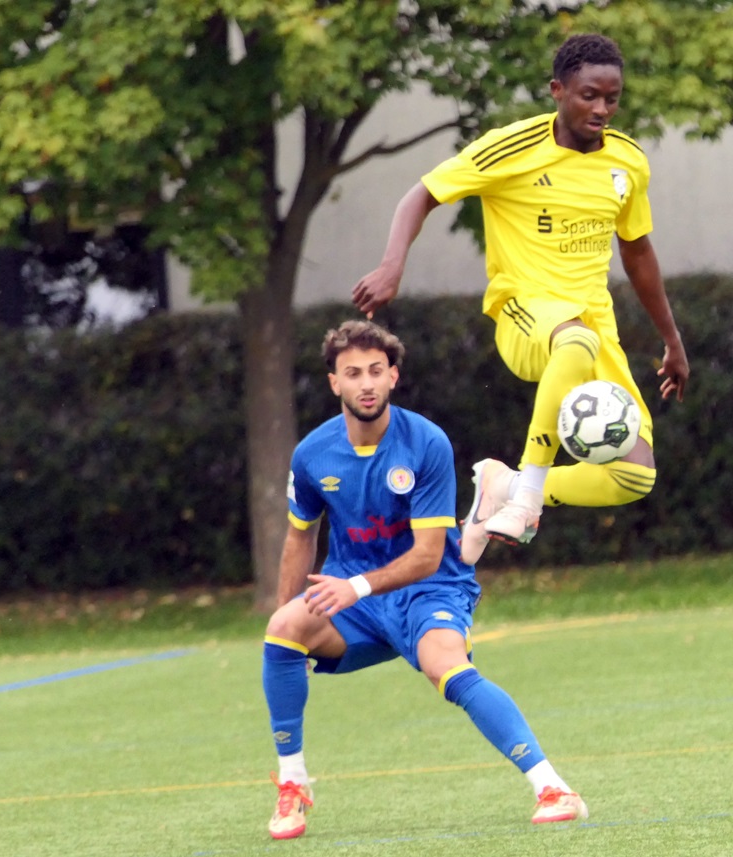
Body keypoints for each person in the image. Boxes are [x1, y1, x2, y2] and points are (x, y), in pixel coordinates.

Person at [352, 33, 689, 565]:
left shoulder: (627, 163)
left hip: (591, 324)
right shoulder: (511, 148)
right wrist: (392, 265)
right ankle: (527, 498)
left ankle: (504, 485)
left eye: (612, 98)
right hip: (524, 312)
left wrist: (671, 340)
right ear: (558, 90)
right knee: (574, 340)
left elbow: (638, 252)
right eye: (589, 96)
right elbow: (422, 195)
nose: (601, 109)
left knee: (633, 475)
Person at [261, 319, 587, 839]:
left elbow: (428, 555)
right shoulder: (312, 455)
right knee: (282, 629)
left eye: (376, 371)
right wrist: (289, 617)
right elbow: (301, 537)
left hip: (428, 586)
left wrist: (355, 587)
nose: (366, 383)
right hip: (355, 599)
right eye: (353, 373)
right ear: (334, 383)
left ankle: (553, 788)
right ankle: (292, 784)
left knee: (447, 668)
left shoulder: (426, 442)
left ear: (393, 376)